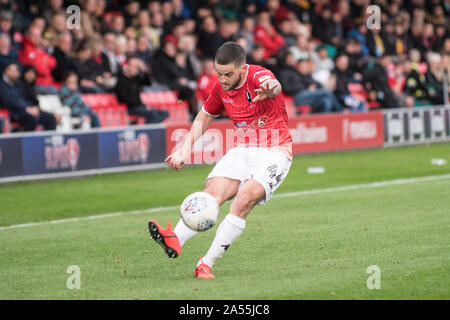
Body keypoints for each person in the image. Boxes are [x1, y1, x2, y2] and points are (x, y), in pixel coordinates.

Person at [147, 42, 292, 279]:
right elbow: (204, 116)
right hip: (243, 149)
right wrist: (184, 150)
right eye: (219, 73)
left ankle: (207, 262)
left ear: (242, 69)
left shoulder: (257, 75)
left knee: (244, 199)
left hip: (275, 151)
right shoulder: (220, 87)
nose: (223, 79)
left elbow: (273, 85)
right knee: (211, 194)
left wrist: (271, 88)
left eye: (229, 74)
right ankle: (176, 239)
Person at [0, 62, 57, 131]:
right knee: (32, 118)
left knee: (51, 118)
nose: (14, 72)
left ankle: (47, 140)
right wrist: (26, 108)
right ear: (5, 71)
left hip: (25, 110)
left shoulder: (19, 84)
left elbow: (25, 98)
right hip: (12, 112)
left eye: (15, 70)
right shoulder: (2, 85)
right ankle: (30, 141)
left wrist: (32, 107)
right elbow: (7, 102)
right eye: (11, 70)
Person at [115, 56, 169, 124]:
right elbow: (123, 99)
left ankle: (149, 128)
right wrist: (143, 107)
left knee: (165, 113)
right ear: (127, 66)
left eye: (137, 67)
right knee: (152, 114)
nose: (136, 69)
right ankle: (148, 130)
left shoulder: (136, 78)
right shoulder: (121, 80)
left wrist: (144, 70)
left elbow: (148, 83)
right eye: (133, 66)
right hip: (130, 108)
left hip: (140, 106)